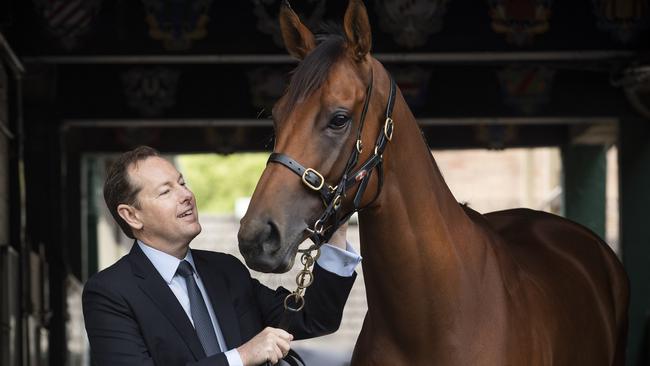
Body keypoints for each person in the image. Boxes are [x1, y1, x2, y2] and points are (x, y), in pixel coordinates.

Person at [82, 146, 360, 366]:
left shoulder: (226, 270)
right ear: (132, 215)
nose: (186, 195)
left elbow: (312, 319)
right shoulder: (110, 293)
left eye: (182, 183)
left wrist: (336, 235)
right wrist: (241, 357)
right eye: (166, 191)